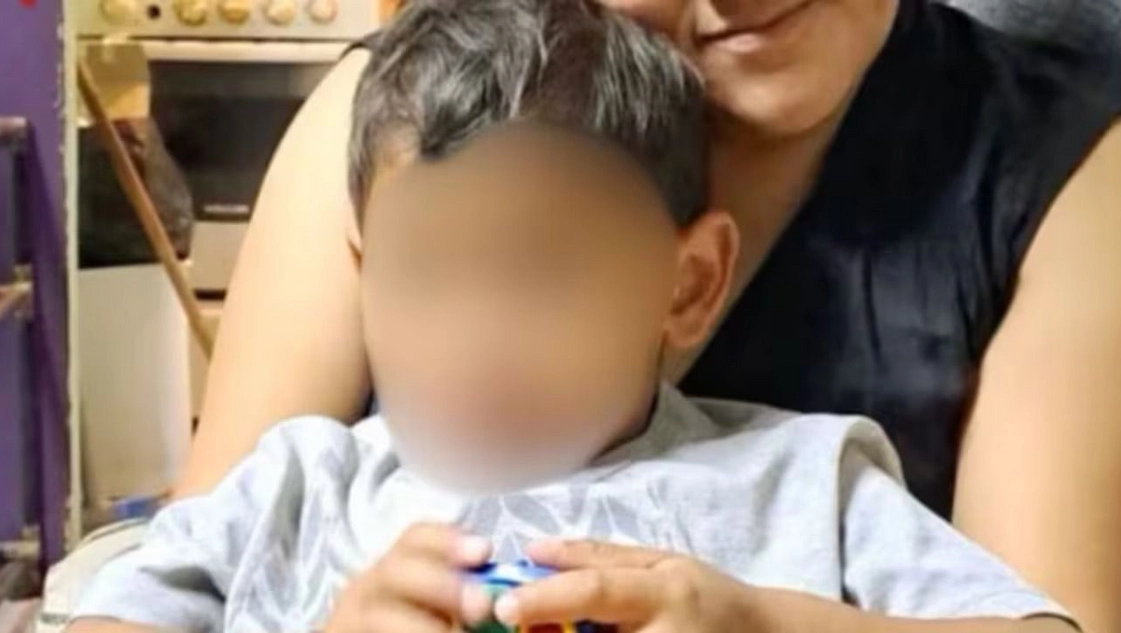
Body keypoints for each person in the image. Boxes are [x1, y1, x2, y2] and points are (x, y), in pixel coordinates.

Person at [69, 3, 1079, 631]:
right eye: (425, 276)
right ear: (363, 270)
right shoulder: (302, 487)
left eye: (543, 274)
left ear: (689, 284)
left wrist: (766, 624)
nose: (477, 341)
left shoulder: (803, 481)